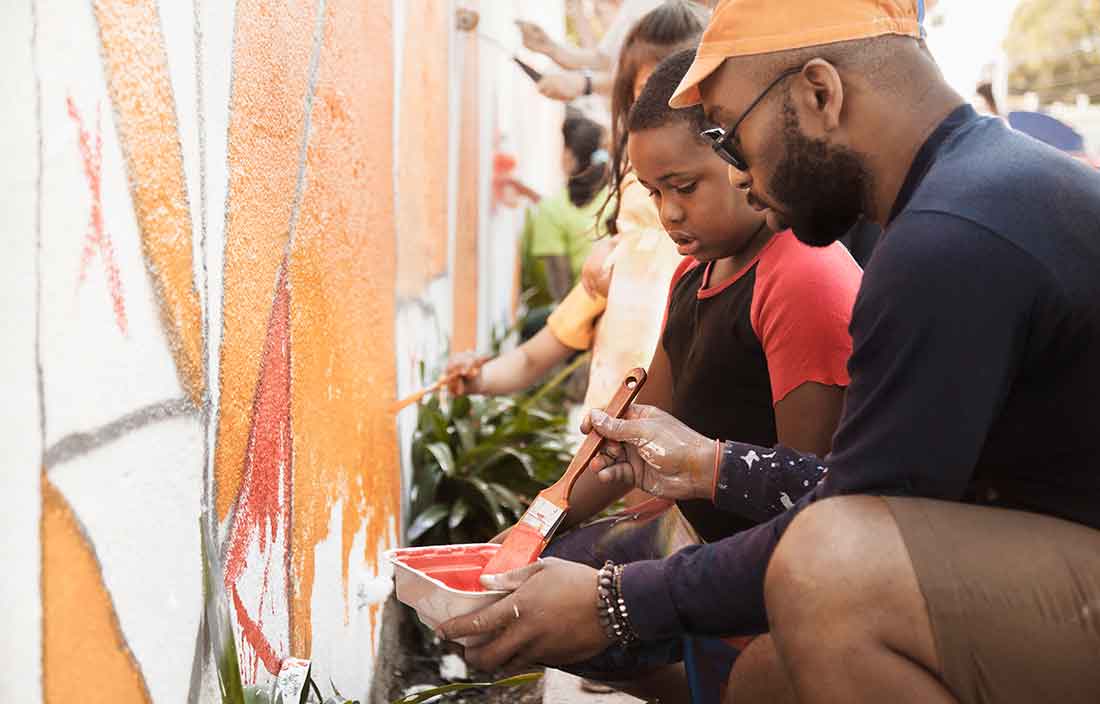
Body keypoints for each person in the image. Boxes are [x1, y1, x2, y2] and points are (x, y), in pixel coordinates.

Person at [442, 2, 1100, 703]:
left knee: (828, 567)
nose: (742, 173)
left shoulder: (949, 237)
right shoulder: (975, 189)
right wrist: (704, 469)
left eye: (728, 135)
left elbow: (855, 524)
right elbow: (887, 497)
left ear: (820, 93)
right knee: (766, 678)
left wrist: (616, 600)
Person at [448, 1, 709, 405]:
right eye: (646, 98)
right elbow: (537, 354)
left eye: (685, 186)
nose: (669, 209)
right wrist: (477, 378)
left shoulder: (722, 271)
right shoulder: (619, 259)